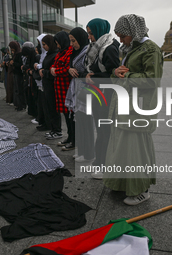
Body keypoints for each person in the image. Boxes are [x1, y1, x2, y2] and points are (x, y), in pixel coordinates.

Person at [103, 14, 163, 205]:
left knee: (136, 151)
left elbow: (152, 80)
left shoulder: (151, 50)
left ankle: (141, 190)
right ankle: (123, 184)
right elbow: (121, 74)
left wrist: (127, 75)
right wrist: (116, 72)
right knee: (122, 149)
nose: (120, 40)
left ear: (133, 32)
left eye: (122, 36)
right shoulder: (129, 48)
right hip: (123, 106)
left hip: (138, 109)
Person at [84, 18, 120, 173]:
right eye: (88, 33)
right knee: (102, 130)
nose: (89, 37)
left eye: (91, 33)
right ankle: (101, 162)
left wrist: (93, 78)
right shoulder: (97, 46)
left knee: (105, 131)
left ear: (99, 31)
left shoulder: (109, 48)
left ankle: (103, 165)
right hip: (99, 94)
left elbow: (114, 75)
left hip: (107, 97)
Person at [64, 27, 95, 157]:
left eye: (74, 41)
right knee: (79, 123)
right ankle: (82, 150)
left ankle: (88, 153)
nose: (72, 44)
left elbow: (91, 72)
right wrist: (70, 70)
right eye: (70, 41)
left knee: (86, 124)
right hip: (77, 88)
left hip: (85, 90)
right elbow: (71, 67)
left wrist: (77, 72)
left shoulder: (88, 52)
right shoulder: (75, 52)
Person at [48, 31, 73, 140]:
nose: (57, 46)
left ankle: (72, 138)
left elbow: (67, 69)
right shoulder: (60, 52)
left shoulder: (69, 52)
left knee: (69, 115)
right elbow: (53, 66)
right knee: (65, 114)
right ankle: (69, 137)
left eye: (58, 43)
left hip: (66, 87)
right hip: (60, 88)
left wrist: (56, 71)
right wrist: (53, 69)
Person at [40, 35, 61, 138]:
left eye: (44, 44)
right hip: (47, 85)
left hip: (52, 85)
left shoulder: (55, 55)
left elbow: (54, 72)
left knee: (53, 108)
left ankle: (57, 130)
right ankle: (53, 129)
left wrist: (44, 71)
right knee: (50, 108)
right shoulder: (49, 54)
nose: (43, 47)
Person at [9, 41, 24, 110]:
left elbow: (20, 65)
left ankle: (21, 105)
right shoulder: (15, 54)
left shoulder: (19, 54)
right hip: (15, 73)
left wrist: (13, 63)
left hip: (19, 74)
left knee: (19, 90)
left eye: (12, 48)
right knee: (16, 89)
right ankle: (17, 104)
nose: (11, 49)